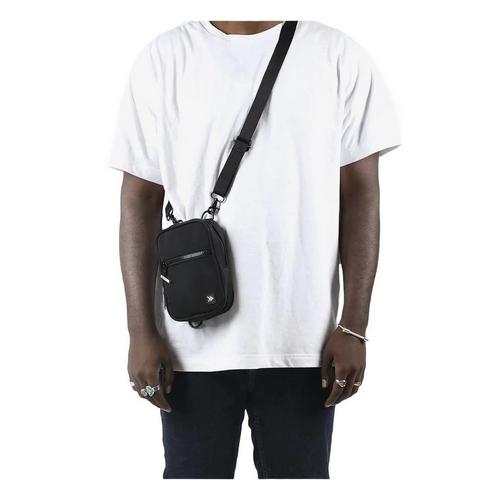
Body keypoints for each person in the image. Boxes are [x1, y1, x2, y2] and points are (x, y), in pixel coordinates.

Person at [109, 20, 400, 479]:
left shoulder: (337, 55)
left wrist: (355, 326)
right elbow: (139, 197)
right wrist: (140, 331)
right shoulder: (165, 58)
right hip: (191, 348)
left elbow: (362, 192)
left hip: (305, 347)